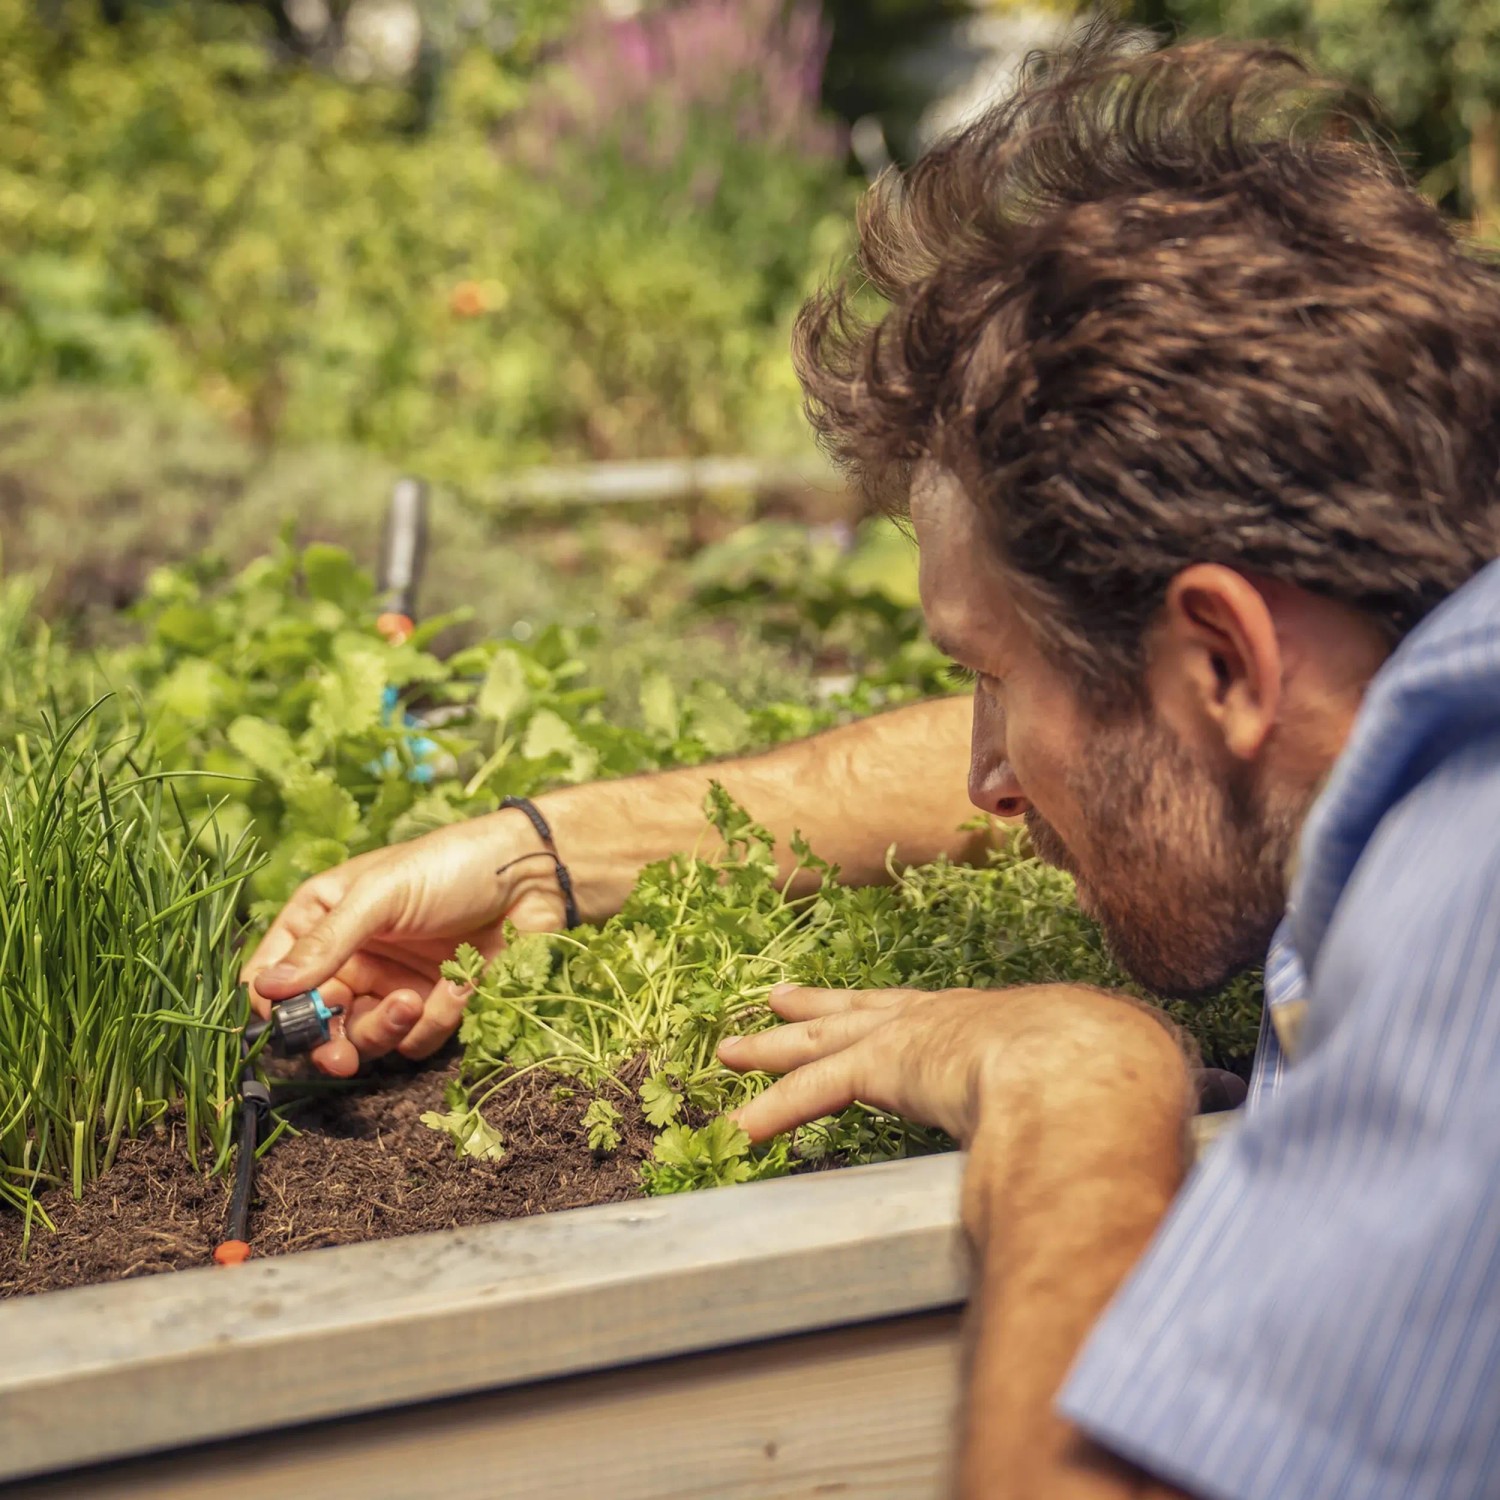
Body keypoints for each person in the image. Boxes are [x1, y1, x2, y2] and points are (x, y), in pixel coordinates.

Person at [249, 32, 1500, 1500]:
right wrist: (545, 853)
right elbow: (1117, 744)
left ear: (1220, 658)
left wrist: (1079, 1096)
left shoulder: (1463, 925)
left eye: (990, 677)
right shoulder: (1397, 684)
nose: (988, 780)